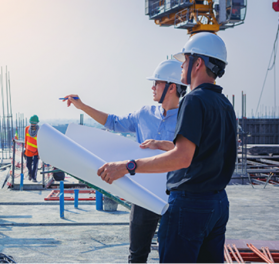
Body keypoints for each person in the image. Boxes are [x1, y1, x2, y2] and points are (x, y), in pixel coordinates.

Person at [96, 33, 235, 264]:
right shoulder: (225, 104)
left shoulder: (193, 100)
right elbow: (212, 153)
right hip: (218, 204)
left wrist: (128, 166)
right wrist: (165, 145)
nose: (182, 64)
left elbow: (182, 158)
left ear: (198, 63)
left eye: (185, 59)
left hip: (190, 206)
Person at [64, 59, 186, 264]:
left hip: (175, 196)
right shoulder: (144, 114)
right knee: (137, 255)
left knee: (173, 256)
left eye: (157, 83)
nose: (152, 87)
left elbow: (193, 154)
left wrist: (164, 144)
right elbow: (113, 122)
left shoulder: (187, 117)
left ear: (171, 87)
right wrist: (82, 106)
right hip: (144, 195)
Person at [24, 115, 40, 182]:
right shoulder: (27, 129)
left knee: (35, 165)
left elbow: (40, 140)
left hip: (36, 150)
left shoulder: (39, 130)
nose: (33, 125)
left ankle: (34, 177)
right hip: (28, 149)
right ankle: (30, 173)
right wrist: (25, 147)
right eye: (32, 123)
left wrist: (40, 151)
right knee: (28, 164)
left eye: (34, 123)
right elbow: (26, 138)